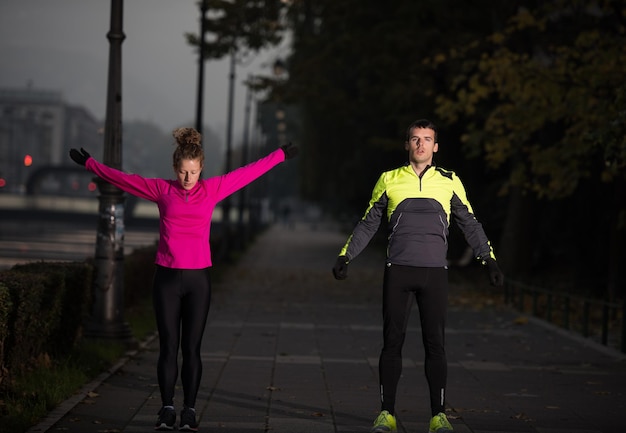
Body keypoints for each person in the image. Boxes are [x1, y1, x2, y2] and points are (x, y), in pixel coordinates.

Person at [70, 128, 298, 432]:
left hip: (198, 282)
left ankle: (189, 410)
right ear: (175, 169)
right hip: (165, 278)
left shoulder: (213, 189)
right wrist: (90, 165)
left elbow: (248, 173)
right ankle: (166, 409)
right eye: (182, 172)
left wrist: (279, 155)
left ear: (201, 168)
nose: (187, 178)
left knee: (191, 349)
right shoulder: (161, 190)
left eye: (192, 172)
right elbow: (124, 179)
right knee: (168, 347)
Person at [332, 119, 504, 433]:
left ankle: (438, 416)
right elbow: (368, 222)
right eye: (415, 139)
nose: (420, 144)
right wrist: (346, 255)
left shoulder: (450, 181)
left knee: (435, 345)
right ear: (408, 144)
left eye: (427, 139)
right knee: (391, 344)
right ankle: (387, 414)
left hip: (435, 275)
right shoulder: (389, 179)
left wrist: (488, 260)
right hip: (397, 272)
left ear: (435, 147)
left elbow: (470, 223)